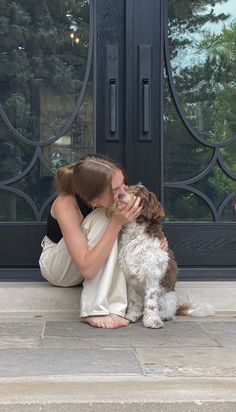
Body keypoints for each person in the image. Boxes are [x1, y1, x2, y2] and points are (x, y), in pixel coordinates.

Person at [39, 153, 168, 329]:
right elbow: (87, 269)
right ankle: (95, 310)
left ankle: (115, 308)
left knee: (116, 217)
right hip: (60, 267)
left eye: (124, 184)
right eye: (115, 191)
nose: (124, 192)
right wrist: (115, 223)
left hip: (92, 261)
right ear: (93, 199)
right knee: (106, 218)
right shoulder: (66, 203)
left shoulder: (116, 199)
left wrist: (154, 238)